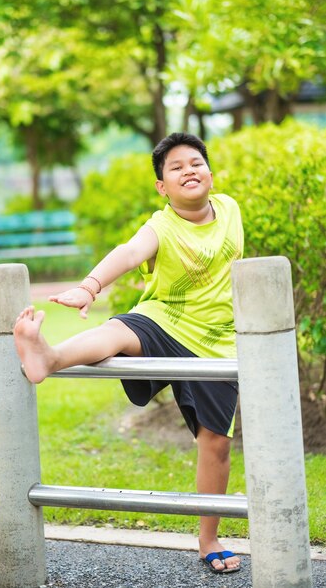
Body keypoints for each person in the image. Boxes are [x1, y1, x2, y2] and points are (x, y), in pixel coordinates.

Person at [14, 132, 243, 574]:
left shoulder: (231, 209)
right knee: (119, 330)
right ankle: (48, 356)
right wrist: (89, 286)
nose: (188, 171)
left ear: (210, 173)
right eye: (175, 168)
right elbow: (130, 252)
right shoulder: (160, 226)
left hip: (218, 340)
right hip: (164, 320)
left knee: (215, 446)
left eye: (195, 162)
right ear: (163, 187)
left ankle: (209, 538)